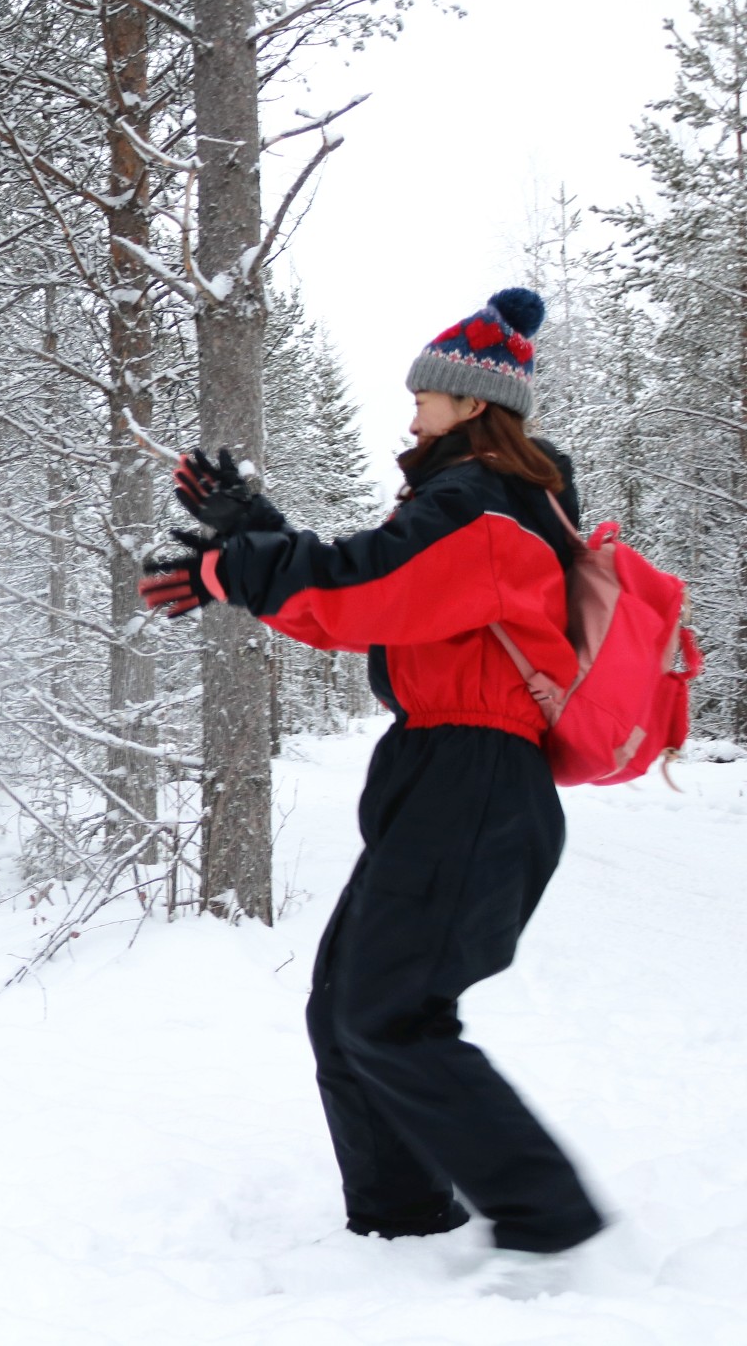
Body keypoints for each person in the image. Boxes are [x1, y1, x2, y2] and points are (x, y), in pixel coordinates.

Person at [138, 289, 606, 1284]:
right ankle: (400, 1221)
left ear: (471, 405)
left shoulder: (487, 509)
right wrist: (250, 533)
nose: (411, 416)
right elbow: (363, 597)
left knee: (386, 1013)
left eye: (425, 400)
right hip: (438, 771)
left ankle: (546, 1223)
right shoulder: (460, 505)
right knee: (345, 1009)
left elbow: (359, 591)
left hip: (474, 780)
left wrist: (237, 566)